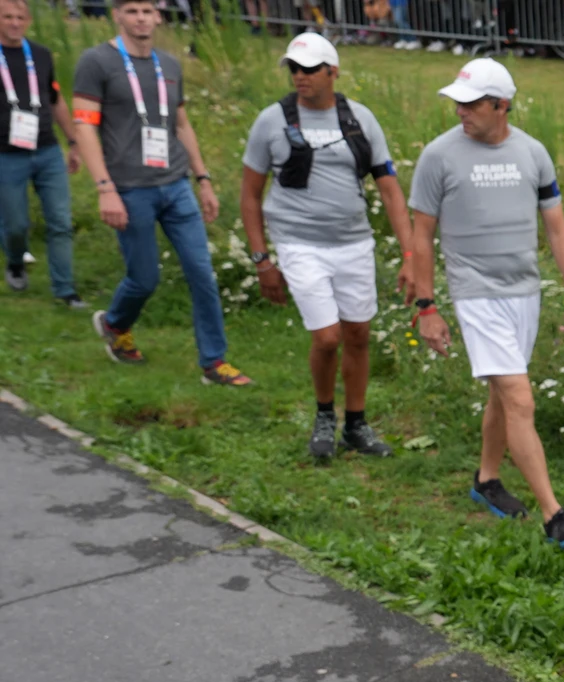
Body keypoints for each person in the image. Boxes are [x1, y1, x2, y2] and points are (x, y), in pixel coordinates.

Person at [407, 58, 564, 548]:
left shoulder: (532, 153)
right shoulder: (438, 157)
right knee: (518, 397)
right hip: (475, 294)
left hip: (524, 293)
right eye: (457, 103)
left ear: (501, 105)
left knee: (502, 394)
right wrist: (426, 306)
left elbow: (557, 228)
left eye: (471, 104)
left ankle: (486, 480)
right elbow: (421, 235)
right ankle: (555, 516)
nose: (460, 112)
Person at [240, 33, 414, 462]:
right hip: (299, 243)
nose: (300, 77)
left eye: (310, 69)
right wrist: (262, 260)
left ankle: (356, 423)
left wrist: (411, 256)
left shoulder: (360, 119)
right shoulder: (271, 121)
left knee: (358, 333)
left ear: (333, 72)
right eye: (293, 69)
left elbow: (390, 190)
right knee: (327, 336)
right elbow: (249, 194)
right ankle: (323, 416)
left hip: (353, 242)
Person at [71, 0, 247, 385]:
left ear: (159, 17)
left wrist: (203, 179)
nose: (140, 19)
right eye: (132, 10)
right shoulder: (96, 61)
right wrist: (105, 189)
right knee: (144, 278)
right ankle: (115, 323)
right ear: (117, 14)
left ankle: (214, 363)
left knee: (202, 272)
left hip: (176, 185)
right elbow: (84, 127)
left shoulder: (169, 64)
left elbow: (181, 124)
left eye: (148, 11)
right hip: (130, 189)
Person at [0, 0, 84, 308]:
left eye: (19, 17)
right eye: (7, 17)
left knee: (61, 221)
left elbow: (55, 100)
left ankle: (65, 289)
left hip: (46, 149)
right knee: (16, 225)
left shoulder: (41, 54)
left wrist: (74, 142)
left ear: (28, 20)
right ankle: (15, 260)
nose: (14, 23)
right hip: (6, 154)